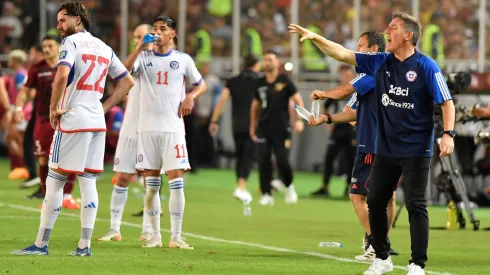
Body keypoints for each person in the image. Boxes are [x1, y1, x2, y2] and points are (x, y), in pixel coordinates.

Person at [291, 11, 455, 275]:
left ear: (408, 35)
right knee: (376, 201)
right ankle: (382, 257)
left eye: (393, 28)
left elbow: (447, 102)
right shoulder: (379, 62)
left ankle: (417, 264)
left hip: (416, 148)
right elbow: (342, 54)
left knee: (415, 204)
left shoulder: (427, 67)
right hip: (386, 148)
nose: (387, 32)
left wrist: (448, 134)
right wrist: (315, 38)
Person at [12, 1, 134, 256]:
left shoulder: (71, 43)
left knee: (54, 181)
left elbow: (61, 75)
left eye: (62, 20)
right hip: (95, 122)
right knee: (88, 181)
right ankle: (84, 246)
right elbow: (127, 81)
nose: (58, 26)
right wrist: (105, 107)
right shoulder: (104, 47)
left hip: (73, 119)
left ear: (77, 19)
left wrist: (53, 108)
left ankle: (41, 244)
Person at [308, 31, 398, 261]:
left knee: (358, 196)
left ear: (373, 50)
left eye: (361, 46)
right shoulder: (389, 74)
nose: (357, 50)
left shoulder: (369, 74)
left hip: (371, 147)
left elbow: (345, 91)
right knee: (389, 198)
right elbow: (351, 113)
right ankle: (381, 244)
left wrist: (323, 94)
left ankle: (376, 245)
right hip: (391, 146)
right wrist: (326, 119)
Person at [124, 15, 206, 249]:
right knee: (151, 186)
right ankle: (155, 236)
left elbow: (201, 84)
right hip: (147, 129)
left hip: (173, 128)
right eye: (155, 28)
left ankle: (176, 236)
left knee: (176, 182)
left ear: (173, 34)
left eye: (163, 29)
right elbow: (123, 72)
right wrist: (140, 46)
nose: (158, 32)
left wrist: (191, 96)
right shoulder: (143, 57)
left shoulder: (183, 60)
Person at [98, 24, 157, 243]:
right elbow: (121, 74)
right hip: (131, 125)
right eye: (135, 37)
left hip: (152, 127)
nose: (137, 40)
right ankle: (114, 229)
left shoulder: (163, 61)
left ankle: (148, 229)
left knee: (150, 179)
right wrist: (139, 50)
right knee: (122, 177)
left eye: (142, 37)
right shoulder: (136, 59)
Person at [14, 35, 79, 209]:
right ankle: (46, 197)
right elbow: (25, 91)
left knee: (69, 158)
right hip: (43, 119)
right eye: (44, 46)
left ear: (59, 47)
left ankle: (67, 196)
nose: (46, 49)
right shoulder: (37, 67)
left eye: (50, 45)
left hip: (67, 117)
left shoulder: (70, 64)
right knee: (43, 159)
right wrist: (19, 108)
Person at [250, 50, 304, 206]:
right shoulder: (259, 83)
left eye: (270, 59)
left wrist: (299, 119)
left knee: (282, 160)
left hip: (282, 128)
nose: (268, 62)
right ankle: (266, 194)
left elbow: (298, 100)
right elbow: (255, 106)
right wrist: (252, 127)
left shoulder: (284, 80)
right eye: (265, 59)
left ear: (277, 62)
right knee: (263, 161)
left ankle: (289, 186)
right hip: (263, 128)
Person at [209, 54, 260, 204]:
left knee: (240, 155)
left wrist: (214, 120)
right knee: (249, 156)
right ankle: (241, 185)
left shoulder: (233, 81)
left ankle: (241, 187)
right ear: (256, 65)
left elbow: (222, 101)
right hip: (254, 124)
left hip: (236, 124)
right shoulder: (259, 81)